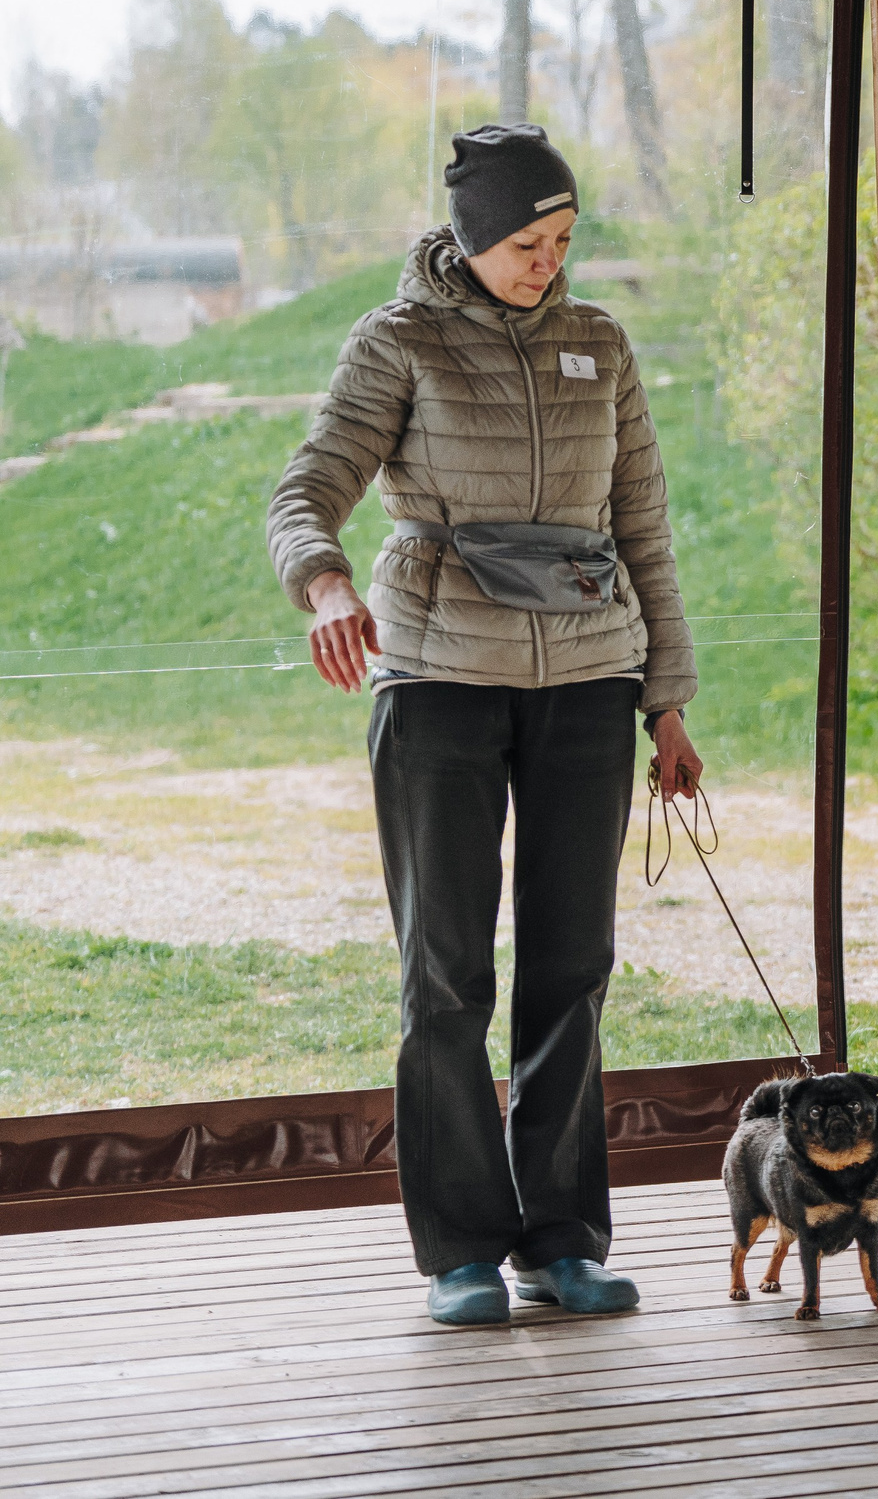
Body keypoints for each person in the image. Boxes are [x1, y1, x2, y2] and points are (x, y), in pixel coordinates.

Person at [267, 124, 702, 1327]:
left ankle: (561, 1240)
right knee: (446, 976)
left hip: (589, 683)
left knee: (573, 968)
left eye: (562, 240)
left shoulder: (600, 341)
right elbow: (307, 488)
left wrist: (666, 700)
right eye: (525, 243)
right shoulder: (397, 339)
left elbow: (643, 527)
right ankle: (460, 1247)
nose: (547, 263)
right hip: (437, 679)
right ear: (469, 236)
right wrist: (326, 584)